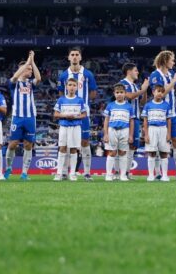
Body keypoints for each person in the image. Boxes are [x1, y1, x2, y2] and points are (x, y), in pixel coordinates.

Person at [58, 47, 98, 181]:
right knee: (65, 144)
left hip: (82, 114)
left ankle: (87, 172)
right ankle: (64, 172)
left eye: (77, 55)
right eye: (72, 55)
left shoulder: (88, 74)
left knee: (84, 142)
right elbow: (60, 94)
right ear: (68, 57)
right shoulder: (64, 75)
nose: (74, 57)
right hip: (66, 115)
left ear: (80, 57)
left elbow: (93, 93)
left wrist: (82, 104)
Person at [149, 50, 176, 180]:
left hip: (173, 113)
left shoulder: (172, 74)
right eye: (172, 59)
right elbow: (162, 93)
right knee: (157, 145)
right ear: (165, 60)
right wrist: (175, 79)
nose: (174, 62)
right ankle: (157, 173)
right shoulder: (155, 75)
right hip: (159, 115)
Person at [5, 51, 42, 181]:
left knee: (28, 145)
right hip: (18, 117)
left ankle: (24, 173)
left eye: (31, 69)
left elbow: (39, 78)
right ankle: (9, 167)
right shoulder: (14, 83)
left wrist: (32, 62)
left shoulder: (31, 84)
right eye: (28, 69)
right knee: (13, 144)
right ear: (21, 70)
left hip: (30, 118)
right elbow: (15, 77)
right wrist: (27, 61)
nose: (30, 71)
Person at [53, 78, 87, 182]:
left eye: (74, 85)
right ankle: (59, 173)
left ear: (77, 87)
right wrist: (66, 115)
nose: (72, 87)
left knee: (73, 149)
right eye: (70, 85)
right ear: (66, 87)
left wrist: (75, 117)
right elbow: (55, 114)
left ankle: (72, 173)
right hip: (64, 126)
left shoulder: (80, 100)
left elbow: (84, 114)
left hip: (76, 127)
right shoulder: (61, 99)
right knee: (62, 148)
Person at [119, 63, 149, 179]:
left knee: (132, 146)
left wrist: (144, 91)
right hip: (125, 119)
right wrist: (143, 90)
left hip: (135, 118)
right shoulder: (123, 84)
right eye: (136, 70)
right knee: (123, 146)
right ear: (129, 71)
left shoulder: (136, 86)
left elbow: (142, 103)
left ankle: (126, 172)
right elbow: (129, 96)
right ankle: (119, 172)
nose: (138, 73)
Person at [102, 83, 135, 182]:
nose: (119, 94)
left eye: (121, 92)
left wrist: (131, 135)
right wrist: (106, 134)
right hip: (112, 130)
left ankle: (123, 175)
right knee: (112, 152)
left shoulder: (129, 106)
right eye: (117, 92)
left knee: (123, 152)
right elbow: (106, 120)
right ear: (114, 93)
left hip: (125, 130)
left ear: (125, 93)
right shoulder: (110, 105)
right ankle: (108, 174)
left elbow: (131, 121)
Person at [142, 84, 174, 182]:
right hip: (152, 129)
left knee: (164, 153)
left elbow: (169, 120)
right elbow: (145, 121)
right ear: (153, 92)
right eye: (158, 91)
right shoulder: (148, 105)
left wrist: (169, 133)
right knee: (151, 152)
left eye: (161, 91)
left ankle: (164, 175)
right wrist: (146, 134)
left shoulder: (166, 105)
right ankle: (151, 175)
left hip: (163, 129)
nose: (160, 93)